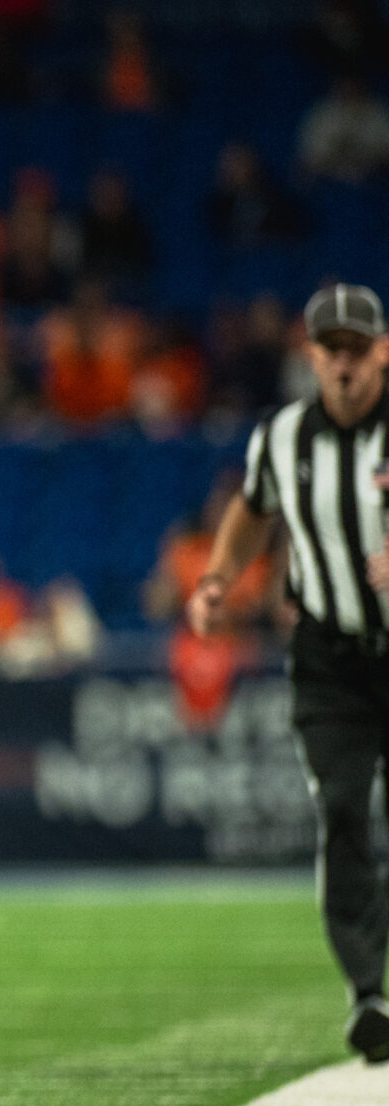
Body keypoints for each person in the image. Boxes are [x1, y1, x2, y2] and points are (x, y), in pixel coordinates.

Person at [188, 283, 389, 1062]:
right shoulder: (282, 438)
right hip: (330, 657)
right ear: (311, 356)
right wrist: (216, 578)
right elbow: (252, 507)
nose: (343, 364)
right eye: (329, 350)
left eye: (355, 349)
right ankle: (368, 991)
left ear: (382, 350)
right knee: (340, 804)